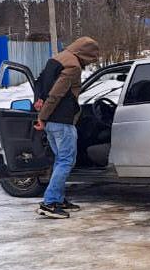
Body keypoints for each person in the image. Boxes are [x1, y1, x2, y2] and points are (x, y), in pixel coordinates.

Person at [33, 36, 101, 219]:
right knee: (66, 161)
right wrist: (42, 117)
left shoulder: (56, 59)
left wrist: (38, 101)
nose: (90, 62)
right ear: (85, 53)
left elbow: (39, 82)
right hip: (61, 121)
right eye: (91, 58)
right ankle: (48, 203)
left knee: (60, 160)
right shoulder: (73, 66)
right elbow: (56, 94)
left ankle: (58, 199)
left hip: (52, 123)